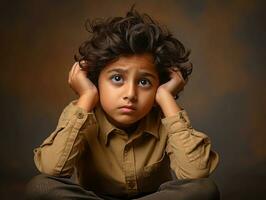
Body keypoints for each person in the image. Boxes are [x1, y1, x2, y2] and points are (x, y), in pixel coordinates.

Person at [26, 5, 220, 200]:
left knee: (204, 189)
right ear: (96, 81)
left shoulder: (165, 117)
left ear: (157, 88)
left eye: (144, 82)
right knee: (40, 187)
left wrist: (167, 99)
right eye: (117, 78)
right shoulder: (83, 113)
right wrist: (86, 97)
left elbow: (196, 173)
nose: (130, 94)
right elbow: (51, 169)